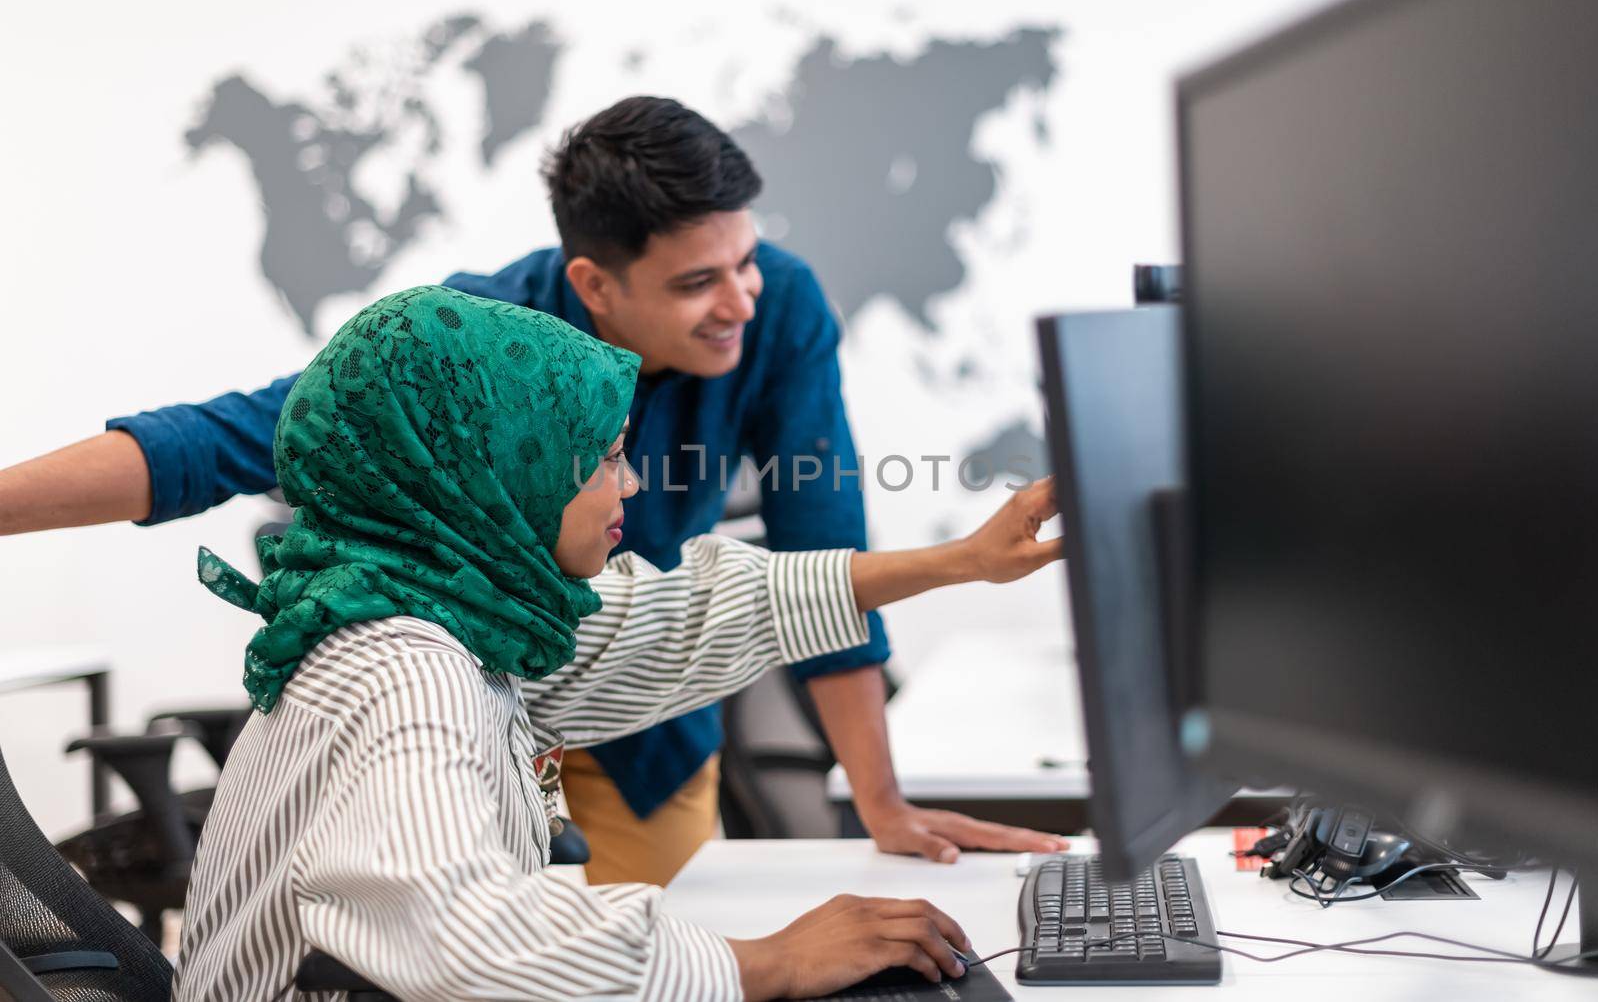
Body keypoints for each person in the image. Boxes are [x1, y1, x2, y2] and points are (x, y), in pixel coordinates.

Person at [0, 95, 1067, 883]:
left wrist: (873, 804)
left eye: (746, 258)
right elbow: (220, 440)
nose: (740, 299)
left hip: (638, 698)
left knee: (658, 924)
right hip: (477, 714)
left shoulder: (774, 305)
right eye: (698, 281)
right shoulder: (475, 350)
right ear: (594, 284)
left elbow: (812, 554)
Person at [173, 287, 1063, 1001]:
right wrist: (772, 963)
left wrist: (963, 561)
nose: (631, 481)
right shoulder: (406, 672)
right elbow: (474, 941)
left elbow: (688, 615)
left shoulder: (451, 611)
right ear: (497, 474)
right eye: (602, 457)